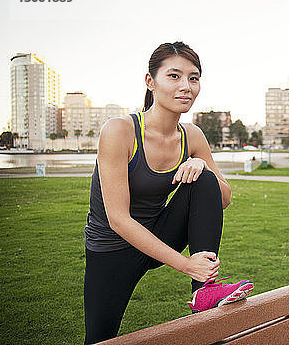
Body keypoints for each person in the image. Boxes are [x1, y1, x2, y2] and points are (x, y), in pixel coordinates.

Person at [83, 41, 253, 344]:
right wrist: (186, 264)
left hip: (159, 232)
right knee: (100, 339)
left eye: (193, 77)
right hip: (112, 249)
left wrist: (201, 164)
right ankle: (198, 278)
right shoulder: (119, 131)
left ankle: (205, 291)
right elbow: (118, 219)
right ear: (151, 82)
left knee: (204, 180)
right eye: (174, 76)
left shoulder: (192, 135)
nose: (185, 86)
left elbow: (222, 196)